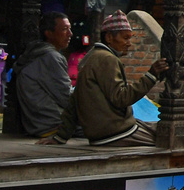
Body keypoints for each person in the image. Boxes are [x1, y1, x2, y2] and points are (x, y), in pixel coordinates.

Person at [71, 11, 167, 146]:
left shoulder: (96, 56)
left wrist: (61, 136)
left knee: (156, 127)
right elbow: (121, 98)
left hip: (104, 129)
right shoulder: (107, 59)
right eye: (125, 38)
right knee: (165, 140)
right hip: (112, 132)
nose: (129, 43)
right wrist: (151, 75)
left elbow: (73, 102)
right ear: (109, 37)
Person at [16, 12, 76, 142]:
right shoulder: (51, 57)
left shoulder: (38, 54)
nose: (70, 34)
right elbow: (67, 97)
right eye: (65, 29)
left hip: (38, 123)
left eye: (69, 29)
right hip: (52, 124)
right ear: (49, 33)